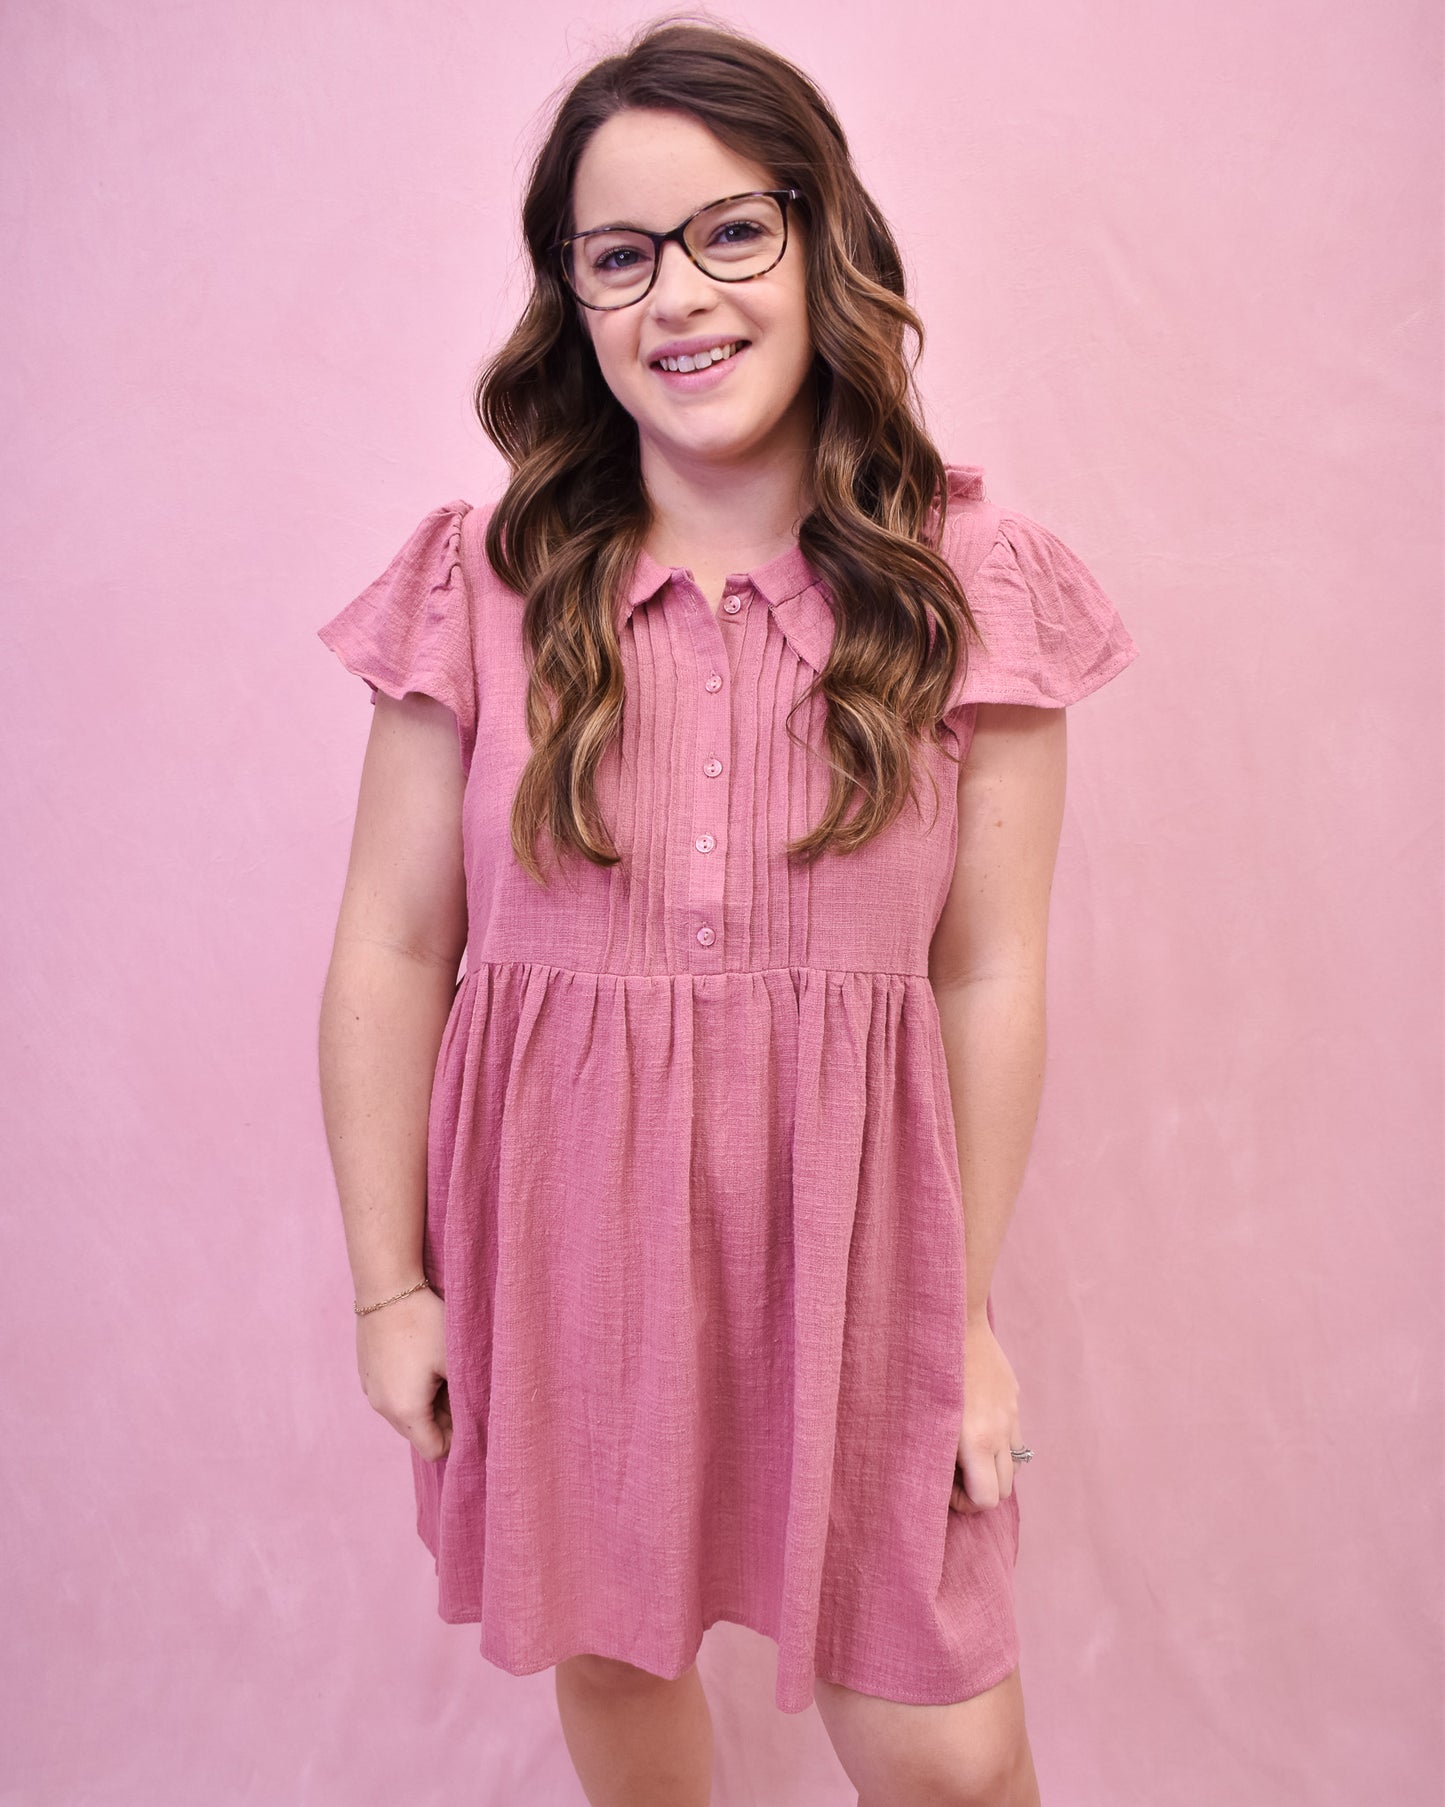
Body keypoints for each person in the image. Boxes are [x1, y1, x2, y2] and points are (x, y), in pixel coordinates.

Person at [315, 19, 1138, 1806]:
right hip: (557, 1236)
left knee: (949, 1760)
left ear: (820, 237)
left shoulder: (970, 583)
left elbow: (987, 970)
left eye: (727, 232)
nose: (675, 295)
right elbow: (391, 946)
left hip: (855, 1238)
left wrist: (966, 1310)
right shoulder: (481, 578)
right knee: (617, 1679)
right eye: (617, 256)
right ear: (571, 302)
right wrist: (393, 1290)